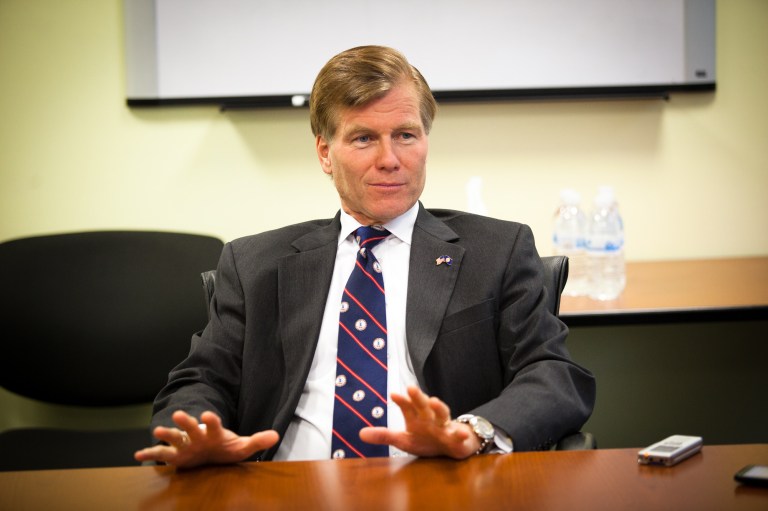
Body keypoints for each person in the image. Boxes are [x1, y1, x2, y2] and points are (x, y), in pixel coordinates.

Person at [135, 45, 595, 468]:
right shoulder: (255, 263)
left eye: (406, 135)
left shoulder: (497, 251)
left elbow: (554, 375)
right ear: (324, 153)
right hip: (285, 490)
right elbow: (198, 382)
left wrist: (473, 431)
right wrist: (197, 431)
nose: (390, 158)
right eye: (363, 139)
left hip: (444, 486)